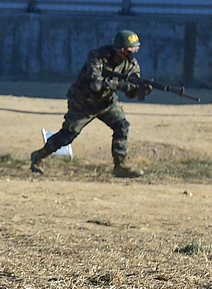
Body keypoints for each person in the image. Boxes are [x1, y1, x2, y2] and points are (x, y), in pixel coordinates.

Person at [30, 29, 151, 178]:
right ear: (121, 49)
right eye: (130, 49)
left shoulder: (131, 65)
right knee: (67, 135)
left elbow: (131, 92)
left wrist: (142, 90)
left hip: (105, 103)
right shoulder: (99, 56)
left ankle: (120, 165)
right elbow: (95, 84)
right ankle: (39, 156)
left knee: (122, 126)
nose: (134, 51)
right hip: (83, 102)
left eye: (135, 48)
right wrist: (119, 85)